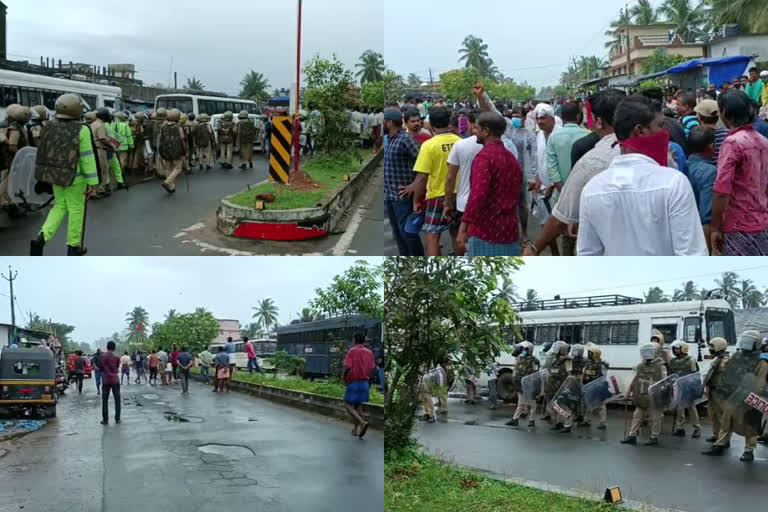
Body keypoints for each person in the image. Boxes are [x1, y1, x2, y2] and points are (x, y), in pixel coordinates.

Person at [577, 95, 707, 256]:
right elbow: (692, 254)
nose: (665, 133)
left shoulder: (592, 190)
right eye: (660, 125)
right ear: (640, 130)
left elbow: (588, 255)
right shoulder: (674, 183)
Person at [524, 91, 623, 257]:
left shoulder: (591, 157)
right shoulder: (654, 153)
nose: (540, 121)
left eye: (543, 117)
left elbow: (553, 171)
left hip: (566, 200)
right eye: (538, 118)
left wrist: (535, 248)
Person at [29, 94, 98, 257]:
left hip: (55, 176)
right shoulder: (82, 130)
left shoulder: (49, 126)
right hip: (76, 178)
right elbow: (87, 157)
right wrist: (93, 181)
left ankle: (41, 238)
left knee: (59, 206)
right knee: (76, 210)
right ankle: (73, 247)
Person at [456, 112, 523, 256]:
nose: (474, 131)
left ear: (486, 131)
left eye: (477, 128)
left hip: (486, 231)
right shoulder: (510, 157)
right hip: (509, 230)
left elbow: (477, 196)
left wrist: (463, 227)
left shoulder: (484, 158)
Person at [711, 90, 768, 255]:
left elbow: (721, 190)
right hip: (762, 222)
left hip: (739, 225)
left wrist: (715, 227)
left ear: (724, 113)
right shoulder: (763, 141)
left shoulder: (732, 143)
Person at [400, 107, 462, 256]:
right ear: (449, 122)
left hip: (437, 196)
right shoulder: (460, 142)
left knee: (432, 236)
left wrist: (416, 201)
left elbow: (422, 177)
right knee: (457, 234)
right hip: (459, 195)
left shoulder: (429, 145)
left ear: (431, 124)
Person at [703, 330, 768, 461]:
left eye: (748, 342)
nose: (745, 344)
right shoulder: (737, 356)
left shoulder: (761, 363)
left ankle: (749, 450)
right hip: (733, 394)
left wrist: (750, 396)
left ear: (756, 344)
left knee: (750, 423)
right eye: (744, 341)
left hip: (750, 397)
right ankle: (720, 444)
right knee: (726, 419)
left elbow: (759, 383)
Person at [383, 109, 424, 257]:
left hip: (402, 197)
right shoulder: (390, 139)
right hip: (390, 196)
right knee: (398, 233)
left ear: (389, 123)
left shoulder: (405, 139)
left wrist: (414, 185)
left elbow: (423, 163)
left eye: (383, 122)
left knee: (407, 232)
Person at [621, 343, 667, 446]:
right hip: (642, 395)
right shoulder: (641, 366)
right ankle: (632, 436)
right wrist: (629, 391)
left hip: (655, 397)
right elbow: (636, 379)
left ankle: (654, 437)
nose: (647, 354)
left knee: (655, 418)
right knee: (636, 416)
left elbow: (665, 382)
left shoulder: (661, 366)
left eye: (649, 351)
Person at [686, 126, 717, 253]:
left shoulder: (683, 164)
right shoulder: (710, 172)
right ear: (711, 146)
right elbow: (706, 218)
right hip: (699, 236)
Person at [343, 333, 375, 439]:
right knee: (358, 406)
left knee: (348, 405)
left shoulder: (352, 351)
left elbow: (348, 367)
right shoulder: (370, 352)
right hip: (365, 383)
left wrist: (344, 378)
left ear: (354, 340)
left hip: (354, 382)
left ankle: (362, 422)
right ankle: (356, 430)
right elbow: (371, 369)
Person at [668, 341, 701, 438]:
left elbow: (695, 375)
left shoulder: (690, 360)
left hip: (688, 387)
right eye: (674, 349)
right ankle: (680, 428)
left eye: (677, 348)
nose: (675, 350)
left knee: (691, 408)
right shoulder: (673, 361)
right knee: (679, 409)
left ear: (683, 348)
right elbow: (671, 374)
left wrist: (694, 387)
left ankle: (696, 428)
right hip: (678, 387)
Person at [702, 337, 730, 444]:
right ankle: (716, 434)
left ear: (719, 346)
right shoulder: (717, 358)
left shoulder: (725, 360)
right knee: (713, 415)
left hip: (720, 392)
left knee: (722, 417)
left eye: (712, 346)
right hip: (712, 390)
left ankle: (724, 440)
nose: (710, 348)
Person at [506, 341, 539, 428]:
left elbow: (536, 373)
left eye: (525, 349)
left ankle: (531, 420)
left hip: (529, 385)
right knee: (521, 403)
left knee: (533, 404)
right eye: (523, 349)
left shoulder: (534, 360)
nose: (523, 350)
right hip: (520, 384)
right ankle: (515, 419)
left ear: (529, 350)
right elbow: (516, 368)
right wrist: (514, 378)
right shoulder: (520, 358)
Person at [159, 109, 189, 194]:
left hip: (166, 150)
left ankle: (171, 187)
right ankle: (167, 182)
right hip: (176, 150)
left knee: (168, 168)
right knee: (178, 168)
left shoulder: (163, 126)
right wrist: (186, 151)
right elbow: (182, 139)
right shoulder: (178, 127)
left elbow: (161, 139)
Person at [581, 343, 608, 429]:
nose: (589, 355)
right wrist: (582, 384)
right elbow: (584, 374)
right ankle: (586, 420)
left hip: (598, 387)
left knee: (601, 406)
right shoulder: (587, 364)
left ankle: (603, 422)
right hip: (588, 387)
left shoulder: (602, 365)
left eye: (591, 353)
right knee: (588, 404)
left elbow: (604, 377)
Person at [546, 341, 571, 430]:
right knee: (554, 406)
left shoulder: (567, 360)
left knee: (562, 406)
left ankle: (567, 423)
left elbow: (569, 374)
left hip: (562, 386)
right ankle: (558, 422)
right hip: (552, 387)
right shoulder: (554, 359)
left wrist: (567, 387)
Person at [100, 341, 121, 425]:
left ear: (107, 347)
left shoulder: (103, 356)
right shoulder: (117, 357)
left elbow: (101, 368)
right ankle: (117, 419)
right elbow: (117, 367)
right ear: (114, 348)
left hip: (106, 380)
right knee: (117, 400)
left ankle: (105, 420)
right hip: (115, 380)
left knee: (105, 400)